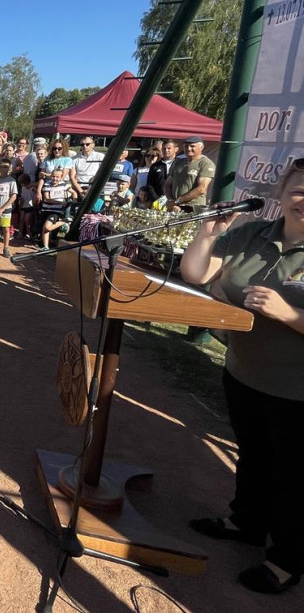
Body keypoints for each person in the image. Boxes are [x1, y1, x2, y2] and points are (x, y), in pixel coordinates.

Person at [181, 160, 304, 594]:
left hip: (298, 392)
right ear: (282, 191)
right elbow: (196, 274)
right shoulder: (252, 234)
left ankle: (287, 559)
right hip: (244, 372)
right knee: (252, 454)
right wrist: (210, 230)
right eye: (299, 188)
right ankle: (246, 523)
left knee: (294, 477)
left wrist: (290, 315)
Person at [165, 135, 214, 211]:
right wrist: (171, 200)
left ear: (201, 147)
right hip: (175, 206)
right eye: (186, 146)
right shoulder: (178, 161)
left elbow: (202, 189)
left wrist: (178, 201)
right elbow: (167, 184)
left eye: (192, 146)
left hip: (194, 207)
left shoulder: (205, 163)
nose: (188, 149)